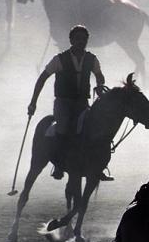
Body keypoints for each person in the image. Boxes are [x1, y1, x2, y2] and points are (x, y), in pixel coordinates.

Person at [27, 25, 112, 181]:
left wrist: (99, 86)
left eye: (84, 39)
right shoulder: (59, 59)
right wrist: (33, 102)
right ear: (71, 40)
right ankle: (59, 164)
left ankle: (97, 165)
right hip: (63, 103)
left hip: (82, 103)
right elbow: (43, 78)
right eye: (77, 39)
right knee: (63, 128)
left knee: (93, 128)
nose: (81, 42)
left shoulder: (91, 59)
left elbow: (99, 75)